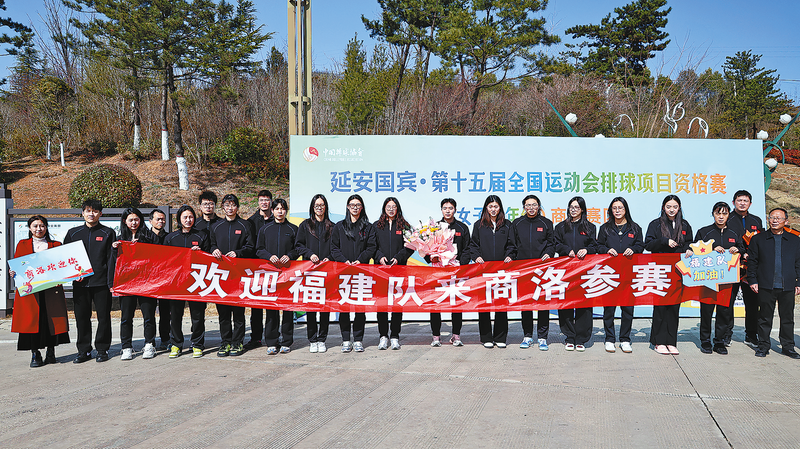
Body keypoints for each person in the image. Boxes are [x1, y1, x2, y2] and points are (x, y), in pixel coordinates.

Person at [10, 215, 70, 367]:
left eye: (42, 226)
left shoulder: (56, 244)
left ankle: (51, 352)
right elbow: (18, 265)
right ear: (30, 228)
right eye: (35, 226)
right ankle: (35, 353)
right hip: (30, 291)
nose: (39, 229)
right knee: (32, 321)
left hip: (51, 291)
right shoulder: (22, 244)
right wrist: (13, 272)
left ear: (46, 227)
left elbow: (62, 266)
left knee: (51, 320)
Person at [64, 199, 116, 363]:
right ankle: (84, 350)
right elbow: (66, 257)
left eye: (95, 211)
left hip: (101, 283)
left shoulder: (108, 233)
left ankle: (102, 349)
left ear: (100, 214)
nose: (91, 214)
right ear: (83, 213)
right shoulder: (73, 233)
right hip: (80, 283)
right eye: (88, 211)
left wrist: (110, 282)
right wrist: (72, 274)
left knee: (104, 317)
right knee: (81, 318)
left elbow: (111, 259)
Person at [747, 208, 800, 358]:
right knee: (764, 317)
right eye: (772, 217)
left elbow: (799, 263)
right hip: (765, 284)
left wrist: (799, 283)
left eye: (778, 218)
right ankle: (763, 346)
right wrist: (753, 280)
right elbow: (752, 262)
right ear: (768, 220)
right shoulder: (758, 239)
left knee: (787, 318)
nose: (775, 220)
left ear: (786, 221)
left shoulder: (795, 240)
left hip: (788, 285)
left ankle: (788, 347)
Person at [645, 195, 693, 356]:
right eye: (668, 206)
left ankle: (671, 342)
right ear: (663, 207)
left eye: (675, 207)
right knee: (660, 307)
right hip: (660, 271)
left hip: (678, 272)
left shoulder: (685, 224)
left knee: (674, 307)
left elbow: (690, 242)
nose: (672, 209)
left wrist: (689, 249)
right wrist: (664, 241)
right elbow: (648, 244)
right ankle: (658, 341)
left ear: (679, 208)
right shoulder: (655, 224)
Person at [692, 202, 742, 355]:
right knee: (706, 311)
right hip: (709, 280)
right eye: (718, 213)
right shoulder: (704, 232)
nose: (721, 216)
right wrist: (711, 250)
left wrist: (737, 249)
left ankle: (719, 341)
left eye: (724, 213)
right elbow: (694, 250)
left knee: (724, 311)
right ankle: (705, 341)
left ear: (728, 215)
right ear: (713, 214)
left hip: (727, 280)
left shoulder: (734, 232)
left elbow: (743, 248)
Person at [209, 194, 255, 357]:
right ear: (222, 207)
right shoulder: (216, 226)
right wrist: (214, 249)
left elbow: (251, 247)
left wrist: (238, 253)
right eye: (227, 205)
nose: (230, 208)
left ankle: (237, 342)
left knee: (238, 312)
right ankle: (225, 342)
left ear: (237, 207)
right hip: (221, 276)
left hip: (238, 276)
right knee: (223, 313)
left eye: (233, 205)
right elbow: (211, 244)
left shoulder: (245, 225)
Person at [597, 197, 644, 354]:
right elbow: (598, 246)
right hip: (609, 274)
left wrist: (634, 249)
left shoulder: (634, 228)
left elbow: (641, 245)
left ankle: (625, 339)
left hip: (628, 274)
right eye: (614, 208)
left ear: (626, 210)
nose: (617, 211)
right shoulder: (605, 228)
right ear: (610, 210)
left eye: (620, 208)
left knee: (628, 309)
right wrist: (606, 250)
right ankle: (610, 339)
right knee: (609, 309)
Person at [110, 208, 158, 360]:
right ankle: (126, 347)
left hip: (146, 283)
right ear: (125, 221)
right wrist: (114, 249)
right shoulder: (119, 240)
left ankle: (149, 344)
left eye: (136, 219)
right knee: (126, 317)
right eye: (130, 220)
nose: (134, 223)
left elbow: (158, 258)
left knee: (148, 316)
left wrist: (142, 245)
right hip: (127, 283)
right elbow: (113, 263)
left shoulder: (150, 237)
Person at [330, 194, 376, 353]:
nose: (355, 207)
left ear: (362, 207)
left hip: (361, 273)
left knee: (359, 309)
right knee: (344, 308)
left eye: (358, 205)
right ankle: (345, 340)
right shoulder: (339, 226)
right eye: (352, 205)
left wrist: (360, 260)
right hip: (343, 273)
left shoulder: (368, 227)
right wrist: (344, 261)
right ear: (347, 207)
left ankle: (358, 340)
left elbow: (371, 247)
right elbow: (334, 248)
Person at [469, 195, 516, 349]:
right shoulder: (479, 225)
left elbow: (512, 245)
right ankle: (486, 337)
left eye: (496, 206)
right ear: (486, 208)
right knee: (484, 305)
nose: (493, 209)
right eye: (490, 207)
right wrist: (476, 257)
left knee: (501, 304)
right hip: (484, 271)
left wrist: (510, 255)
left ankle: (500, 337)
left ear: (500, 207)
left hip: (502, 271)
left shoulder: (507, 225)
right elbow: (473, 245)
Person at [164, 205, 210, 359]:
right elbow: (165, 260)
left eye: (191, 217)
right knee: (175, 315)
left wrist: (201, 253)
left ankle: (197, 344)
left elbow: (209, 258)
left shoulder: (202, 236)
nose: (188, 220)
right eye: (185, 217)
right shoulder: (171, 238)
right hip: (177, 283)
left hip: (196, 281)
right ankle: (176, 344)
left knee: (197, 315)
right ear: (179, 219)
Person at [554, 196, 598, 352]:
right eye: (571, 207)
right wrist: (567, 250)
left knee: (583, 304)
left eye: (577, 207)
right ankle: (569, 337)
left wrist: (587, 250)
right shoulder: (560, 227)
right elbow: (556, 244)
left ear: (582, 210)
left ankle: (581, 338)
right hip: (565, 271)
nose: (573, 210)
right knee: (565, 304)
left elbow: (595, 246)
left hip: (584, 271)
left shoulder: (590, 227)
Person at [256, 199, 299, 355]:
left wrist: (290, 255)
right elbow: (259, 249)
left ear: (286, 211)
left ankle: (287, 341)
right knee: (271, 308)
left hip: (288, 274)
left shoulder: (293, 229)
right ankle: (272, 341)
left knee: (287, 309)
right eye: (277, 208)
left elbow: (298, 248)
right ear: (272, 211)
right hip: (271, 274)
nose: (280, 211)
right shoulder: (265, 229)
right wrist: (269, 256)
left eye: (283, 208)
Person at [511, 195, 555, 351]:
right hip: (524, 270)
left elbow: (552, 243)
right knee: (526, 304)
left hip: (542, 270)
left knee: (543, 304)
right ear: (524, 207)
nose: (531, 208)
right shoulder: (517, 223)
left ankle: (542, 338)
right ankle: (527, 336)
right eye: (528, 205)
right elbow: (512, 244)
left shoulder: (546, 223)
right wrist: (512, 257)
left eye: (534, 205)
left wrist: (549, 253)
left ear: (539, 206)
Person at [428, 198, 471, 347]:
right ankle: (436, 336)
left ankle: (456, 335)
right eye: (445, 208)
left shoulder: (462, 228)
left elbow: (467, 249)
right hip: (438, 272)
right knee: (435, 304)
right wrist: (431, 258)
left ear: (455, 210)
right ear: (441, 210)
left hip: (456, 271)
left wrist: (460, 264)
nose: (448, 211)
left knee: (456, 304)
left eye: (450, 208)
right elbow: (427, 248)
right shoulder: (434, 228)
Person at [296, 194, 334, 354]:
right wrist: (310, 254)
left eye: (322, 205)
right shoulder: (305, 225)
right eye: (316, 205)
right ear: (312, 207)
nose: (319, 208)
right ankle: (312, 339)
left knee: (325, 308)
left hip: (326, 273)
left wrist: (329, 258)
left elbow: (336, 247)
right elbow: (298, 245)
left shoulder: (332, 227)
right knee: (311, 307)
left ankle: (322, 339)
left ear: (326, 207)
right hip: (310, 272)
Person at [374, 197, 413, 350]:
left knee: (397, 304)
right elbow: (372, 245)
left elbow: (411, 246)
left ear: (398, 209)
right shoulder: (376, 226)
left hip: (399, 269)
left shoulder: (405, 226)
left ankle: (395, 336)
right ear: (384, 208)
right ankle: (383, 336)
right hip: (381, 270)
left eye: (394, 206)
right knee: (382, 304)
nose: (391, 209)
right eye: (388, 206)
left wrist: (398, 258)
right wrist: (379, 257)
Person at [725, 190, 764, 347]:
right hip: (731, 266)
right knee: (728, 302)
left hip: (750, 268)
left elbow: (760, 242)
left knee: (752, 303)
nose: (742, 203)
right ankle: (726, 335)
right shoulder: (727, 218)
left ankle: (751, 335)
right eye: (739, 200)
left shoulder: (756, 220)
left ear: (750, 203)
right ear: (733, 202)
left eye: (745, 201)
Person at [245, 189, 274, 350]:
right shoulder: (251, 221)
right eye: (262, 200)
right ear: (258, 202)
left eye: (267, 200)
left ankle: (272, 338)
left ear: (271, 201)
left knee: (271, 306)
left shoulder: (277, 219)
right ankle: (255, 338)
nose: (264, 203)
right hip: (256, 269)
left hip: (274, 269)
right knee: (255, 306)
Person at [148, 209, 171, 351]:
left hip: (165, 279)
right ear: (150, 221)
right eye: (158, 219)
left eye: (163, 219)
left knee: (165, 312)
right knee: (149, 312)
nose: (161, 222)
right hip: (149, 280)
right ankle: (150, 341)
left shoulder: (169, 238)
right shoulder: (144, 238)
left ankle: (165, 339)